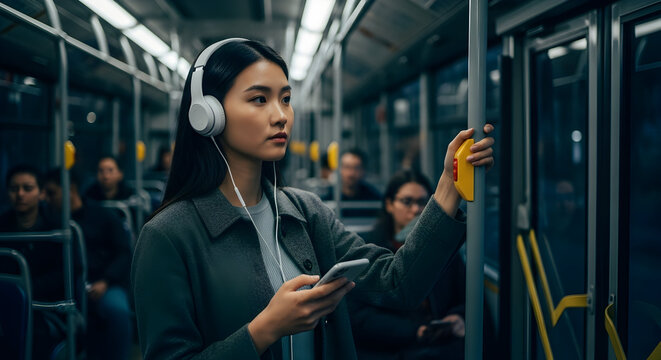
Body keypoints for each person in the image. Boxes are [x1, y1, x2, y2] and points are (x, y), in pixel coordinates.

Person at [131, 38, 495, 360]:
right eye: (260, 99)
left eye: (286, 99)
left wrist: (448, 184)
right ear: (207, 114)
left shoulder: (304, 212)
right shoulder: (169, 235)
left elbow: (396, 283)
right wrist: (263, 331)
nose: (281, 116)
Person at [348, 170, 466, 360]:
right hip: (392, 349)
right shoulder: (370, 250)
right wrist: (415, 331)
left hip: (441, 346)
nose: (416, 210)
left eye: (423, 203)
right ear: (389, 204)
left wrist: (458, 318)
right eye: (407, 201)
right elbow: (359, 317)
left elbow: (466, 297)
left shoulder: (443, 252)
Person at [43, 168, 133, 360]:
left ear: (70, 189)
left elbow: (123, 252)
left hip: (103, 281)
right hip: (66, 284)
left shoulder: (103, 215)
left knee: (117, 311)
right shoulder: (49, 221)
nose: (46, 199)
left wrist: (106, 280)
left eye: (52, 193)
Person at [0, 165, 66, 359]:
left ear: (41, 193)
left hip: (44, 307)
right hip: (5, 303)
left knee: (34, 334)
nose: (20, 194)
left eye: (27, 188)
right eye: (14, 189)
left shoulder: (57, 229)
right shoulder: (2, 226)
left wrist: (26, 291)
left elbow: (64, 274)